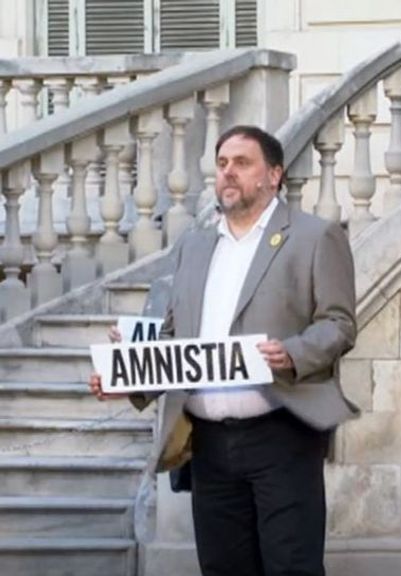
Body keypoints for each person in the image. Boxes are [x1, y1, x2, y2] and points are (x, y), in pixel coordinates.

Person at [89, 125, 358, 576]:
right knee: (223, 567)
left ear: (273, 176)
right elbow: (177, 338)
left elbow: (339, 324)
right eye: (221, 164)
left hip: (283, 433)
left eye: (242, 163)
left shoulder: (315, 236)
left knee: (292, 566)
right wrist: (129, 376)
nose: (228, 172)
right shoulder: (195, 245)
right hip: (210, 445)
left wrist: (293, 354)